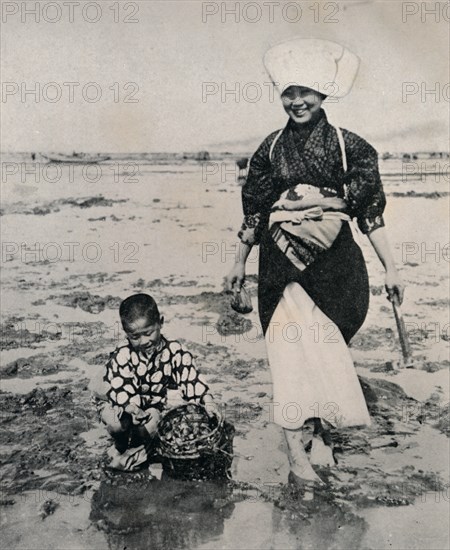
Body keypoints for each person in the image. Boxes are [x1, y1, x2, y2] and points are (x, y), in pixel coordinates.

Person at [224, 38, 405, 491]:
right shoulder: (269, 149)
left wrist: (392, 268)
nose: (296, 101)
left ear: (324, 93)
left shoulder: (350, 148)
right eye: (288, 92)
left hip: (335, 266)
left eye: (305, 91)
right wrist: (238, 263)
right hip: (280, 265)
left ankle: (319, 431)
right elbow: (255, 212)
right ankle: (295, 456)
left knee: (325, 349)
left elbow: (370, 214)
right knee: (288, 354)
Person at [92, 293, 218, 471]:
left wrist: (208, 402)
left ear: (161, 322)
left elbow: (191, 379)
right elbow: (121, 386)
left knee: (150, 425)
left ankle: (138, 444)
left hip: (150, 404)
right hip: (117, 402)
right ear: (126, 333)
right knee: (116, 423)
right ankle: (119, 445)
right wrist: (132, 408)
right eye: (135, 336)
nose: (143, 341)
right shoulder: (123, 354)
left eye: (148, 333)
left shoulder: (174, 351)